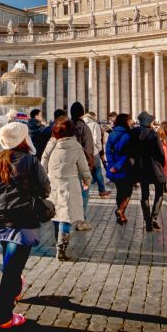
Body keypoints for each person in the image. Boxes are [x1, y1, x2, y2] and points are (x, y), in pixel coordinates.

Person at [0, 122, 50, 329]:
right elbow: (45, 190)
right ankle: (4, 317)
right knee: (10, 270)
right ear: (24, 139)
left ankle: (16, 288)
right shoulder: (30, 161)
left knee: (11, 262)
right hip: (22, 222)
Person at [41, 119, 91, 261]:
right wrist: (87, 179)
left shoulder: (51, 144)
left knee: (56, 212)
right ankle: (61, 247)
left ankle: (58, 240)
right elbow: (83, 166)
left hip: (52, 182)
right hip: (69, 184)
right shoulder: (75, 146)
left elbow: (43, 161)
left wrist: (44, 178)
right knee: (66, 216)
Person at [131, 111, 166, 231]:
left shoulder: (134, 133)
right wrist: (162, 164)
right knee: (159, 192)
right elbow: (161, 152)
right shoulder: (153, 134)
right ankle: (154, 218)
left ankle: (147, 221)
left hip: (141, 167)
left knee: (144, 195)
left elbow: (130, 150)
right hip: (155, 166)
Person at [70, 102, 95, 231]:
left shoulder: (67, 126)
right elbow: (89, 148)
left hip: (68, 166)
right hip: (81, 165)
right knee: (84, 193)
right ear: (82, 113)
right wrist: (91, 164)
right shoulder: (84, 127)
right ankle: (81, 220)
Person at [105, 113, 134, 225]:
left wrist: (112, 165)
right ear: (126, 122)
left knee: (119, 191)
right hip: (125, 167)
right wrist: (118, 166)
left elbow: (108, 150)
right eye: (129, 120)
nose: (131, 122)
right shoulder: (128, 135)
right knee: (128, 191)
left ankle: (120, 214)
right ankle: (120, 210)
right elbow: (127, 154)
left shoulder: (111, 134)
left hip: (113, 167)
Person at [85, 112, 111, 199]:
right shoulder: (94, 124)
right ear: (93, 117)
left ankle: (86, 193)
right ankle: (102, 191)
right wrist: (99, 149)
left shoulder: (82, 124)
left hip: (83, 152)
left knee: (86, 172)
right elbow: (97, 140)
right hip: (94, 152)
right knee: (98, 171)